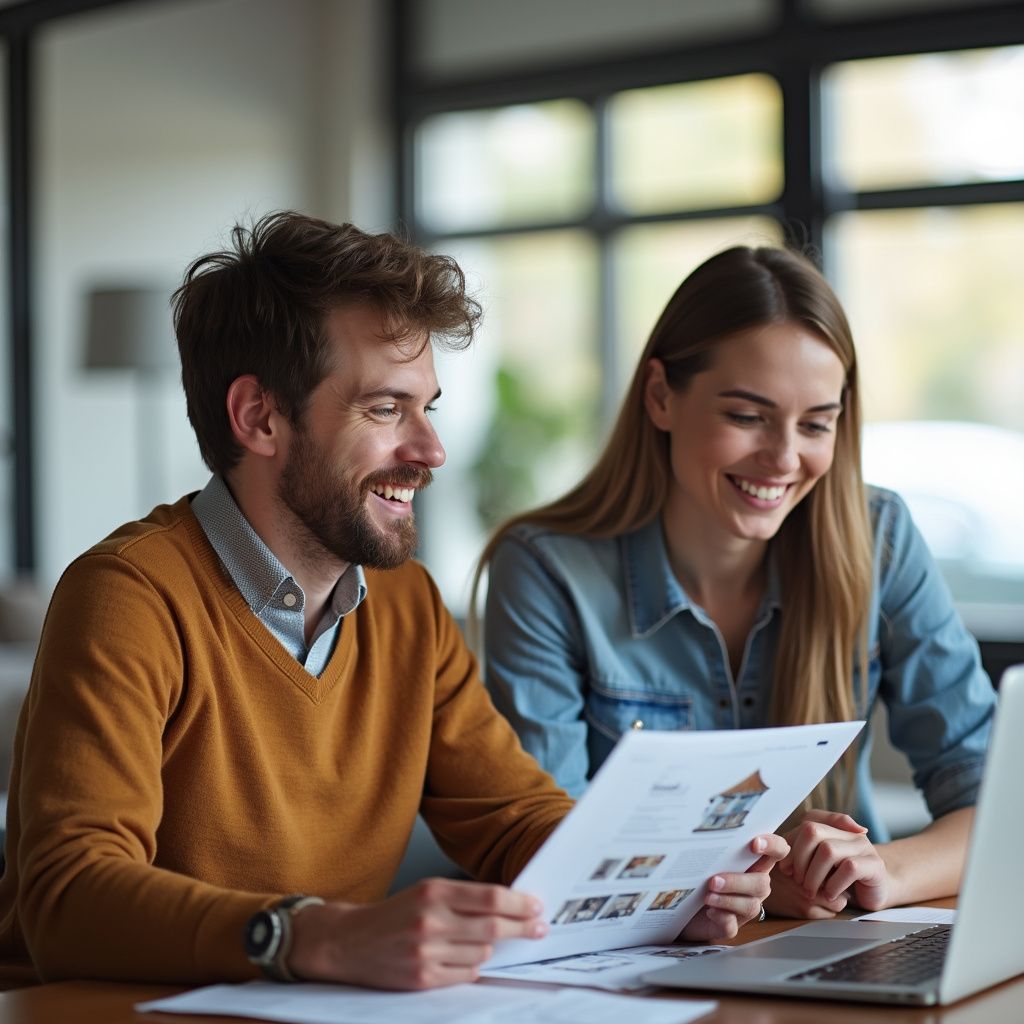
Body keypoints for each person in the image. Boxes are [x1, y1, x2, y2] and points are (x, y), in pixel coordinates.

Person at [0, 214, 787, 991]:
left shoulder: (406, 605)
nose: (431, 450)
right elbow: (69, 899)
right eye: (385, 410)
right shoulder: (128, 597)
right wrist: (320, 934)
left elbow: (514, 818)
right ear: (258, 417)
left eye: (428, 407)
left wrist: (671, 887)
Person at [479, 244, 996, 920]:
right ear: (662, 397)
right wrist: (722, 890)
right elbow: (549, 853)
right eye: (747, 416)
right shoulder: (547, 572)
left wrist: (877, 874)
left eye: (816, 424)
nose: (784, 459)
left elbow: (993, 799)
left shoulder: (880, 539)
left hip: (840, 941)